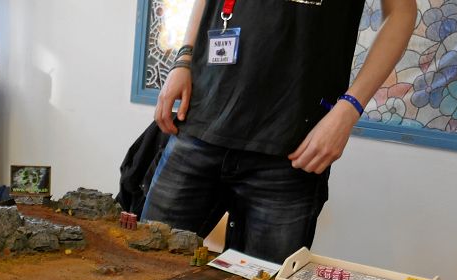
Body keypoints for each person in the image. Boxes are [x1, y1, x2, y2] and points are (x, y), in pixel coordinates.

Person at [142, 0, 415, 262]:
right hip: (201, 123)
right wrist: (184, 57)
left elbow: (401, 12)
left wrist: (349, 108)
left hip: (291, 149)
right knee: (144, 266)